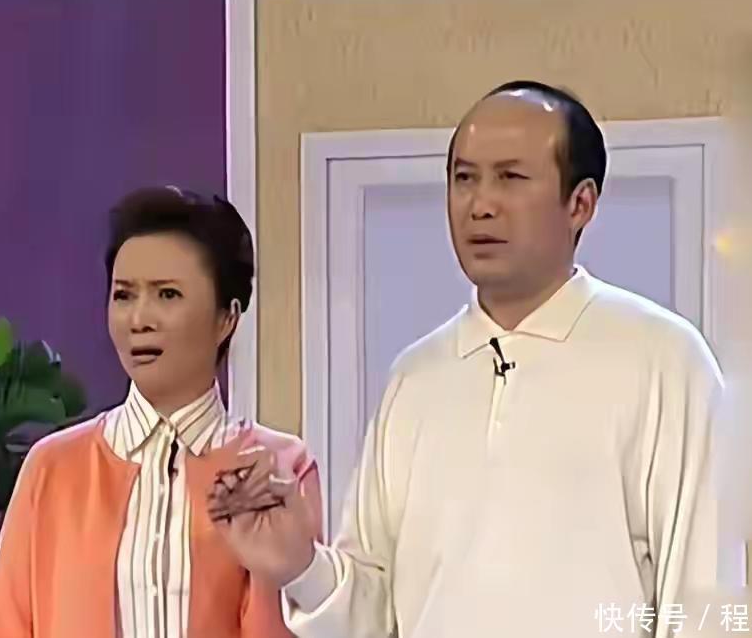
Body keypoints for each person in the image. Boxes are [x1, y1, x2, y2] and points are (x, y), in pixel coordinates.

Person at [210, 81, 723, 637]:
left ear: (580, 203)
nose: (480, 205)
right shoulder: (416, 377)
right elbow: (375, 611)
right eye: (464, 179)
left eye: (511, 178)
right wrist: (302, 566)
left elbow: (704, 601)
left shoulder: (664, 360)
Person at [0, 186, 323, 638]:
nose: (139, 319)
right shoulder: (51, 469)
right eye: (124, 295)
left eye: (167, 294)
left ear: (227, 318)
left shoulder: (279, 467)